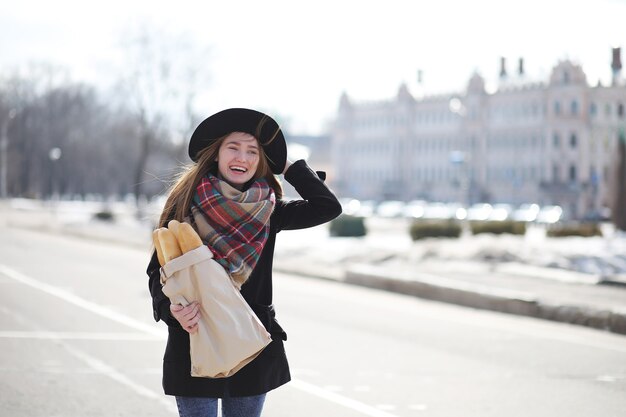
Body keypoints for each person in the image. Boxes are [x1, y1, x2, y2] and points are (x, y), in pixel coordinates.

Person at [146, 108, 342, 417]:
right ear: (217, 154)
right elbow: (158, 272)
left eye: (253, 151)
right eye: (233, 147)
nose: (243, 157)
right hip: (193, 340)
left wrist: (285, 164)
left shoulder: (269, 210)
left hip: (251, 346)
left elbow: (327, 207)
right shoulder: (185, 203)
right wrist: (171, 310)